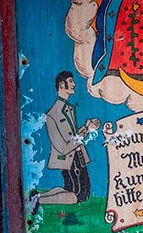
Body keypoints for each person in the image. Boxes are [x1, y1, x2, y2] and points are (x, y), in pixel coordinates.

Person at [35, 71, 100, 206]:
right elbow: (64, 147)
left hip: (77, 156)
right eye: (71, 81)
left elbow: (72, 136)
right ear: (61, 85)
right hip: (69, 159)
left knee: (73, 190)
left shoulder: (68, 108)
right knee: (80, 195)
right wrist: (86, 131)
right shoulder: (53, 114)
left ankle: (39, 196)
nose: (74, 84)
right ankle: (39, 201)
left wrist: (86, 127)